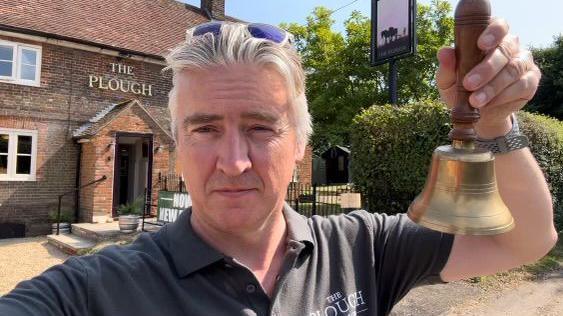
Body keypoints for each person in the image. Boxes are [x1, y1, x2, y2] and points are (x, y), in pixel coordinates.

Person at [0, 20, 557, 316]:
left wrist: (495, 125)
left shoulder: (363, 248)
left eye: (262, 127)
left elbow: (526, 242)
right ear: (177, 142)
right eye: (205, 128)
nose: (234, 160)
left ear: (300, 146)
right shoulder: (97, 290)